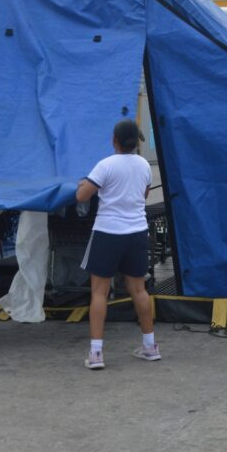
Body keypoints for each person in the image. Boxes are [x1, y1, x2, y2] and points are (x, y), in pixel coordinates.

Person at [76, 119, 159, 370]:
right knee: (139, 290)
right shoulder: (144, 165)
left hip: (108, 233)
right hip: (137, 232)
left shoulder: (106, 165)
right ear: (136, 141)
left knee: (99, 292)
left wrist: (83, 183)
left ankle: (96, 353)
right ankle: (150, 346)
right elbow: (143, 194)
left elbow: (81, 196)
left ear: (115, 141)